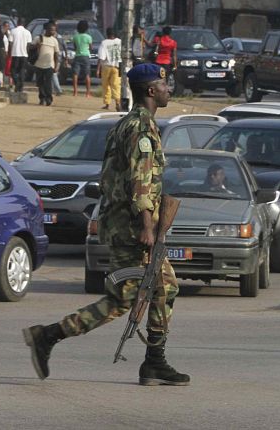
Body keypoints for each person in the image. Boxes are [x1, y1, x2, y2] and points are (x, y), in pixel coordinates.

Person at [22, 63, 189, 387]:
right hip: (132, 228)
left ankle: (154, 361)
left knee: (164, 287)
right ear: (151, 91)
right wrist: (147, 226)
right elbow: (140, 180)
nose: (169, 89)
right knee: (124, 298)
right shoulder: (141, 129)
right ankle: (49, 335)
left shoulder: (126, 124)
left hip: (123, 223)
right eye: (164, 84)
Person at [32, 23, 60, 106]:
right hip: (38, 64)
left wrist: (56, 65)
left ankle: (49, 99)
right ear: (46, 30)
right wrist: (37, 46)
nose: (53, 31)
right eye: (51, 30)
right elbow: (30, 47)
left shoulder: (54, 40)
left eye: (54, 30)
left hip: (49, 65)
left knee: (48, 83)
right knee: (40, 83)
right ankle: (42, 98)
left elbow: (56, 54)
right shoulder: (39, 38)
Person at [97, 28, 123, 111]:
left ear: (107, 34)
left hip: (106, 66)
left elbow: (101, 57)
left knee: (106, 85)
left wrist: (98, 69)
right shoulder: (119, 42)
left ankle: (107, 104)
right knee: (116, 85)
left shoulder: (104, 43)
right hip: (117, 67)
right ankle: (118, 103)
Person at [9, 17, 32, 93]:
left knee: (13, 71)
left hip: (15, 54)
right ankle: (21, 86)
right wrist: (26, 53)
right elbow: (28, 45)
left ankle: (17, 83)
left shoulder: (13, 31)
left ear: (18, 22)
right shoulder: (28, 32)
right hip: (24, 55)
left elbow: (10, 44)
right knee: (22, 70)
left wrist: (9, 54)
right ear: (24, 23)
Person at [72, 20, 93, 97]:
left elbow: (75, 47)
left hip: (77, 56)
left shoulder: (75, 37)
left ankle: (75, 92)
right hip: (86, 56)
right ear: (86, 28)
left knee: (75, 74)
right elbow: (91, 47)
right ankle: (88, 93)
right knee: (87, 75)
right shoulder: (89, 37)